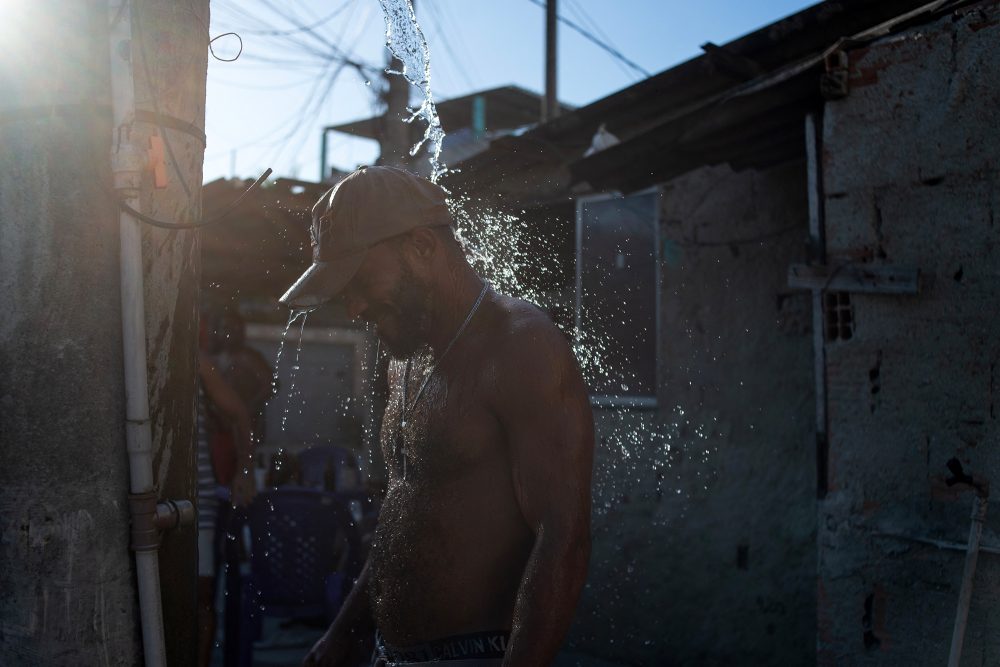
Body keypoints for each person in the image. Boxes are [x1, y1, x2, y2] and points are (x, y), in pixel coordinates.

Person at [280, 166, 594, 667]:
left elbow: (564, 537)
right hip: (389, 655)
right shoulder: (406, 359)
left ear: (422, 247)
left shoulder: (519, 346)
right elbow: (407, 512)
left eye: (360, 281)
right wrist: (344, 634)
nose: (355, 306)